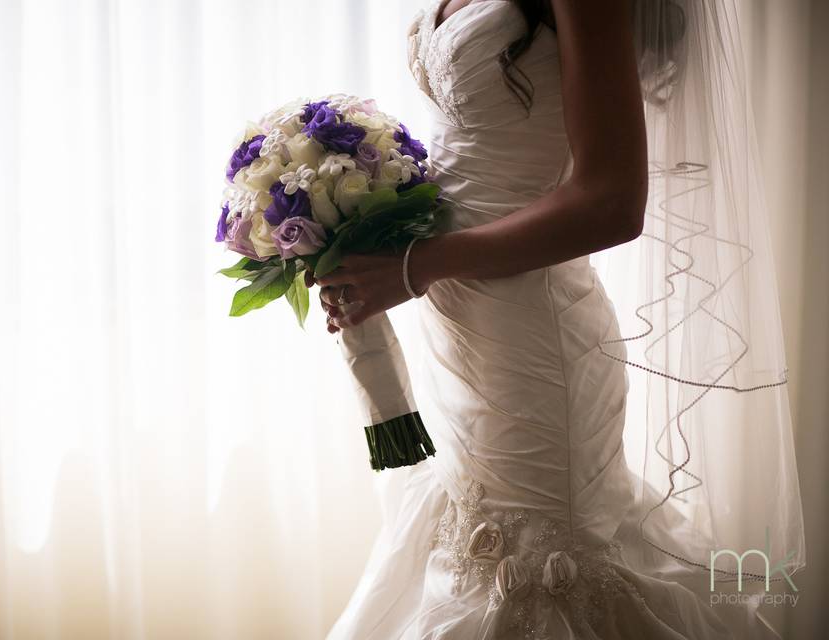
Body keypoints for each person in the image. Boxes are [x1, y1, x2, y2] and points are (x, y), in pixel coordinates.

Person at [313, 0, 804, 638]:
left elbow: (611, 204)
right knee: (475, 535)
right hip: (458, 323)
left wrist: (418, 264)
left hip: (531, 332)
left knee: (546, 560)